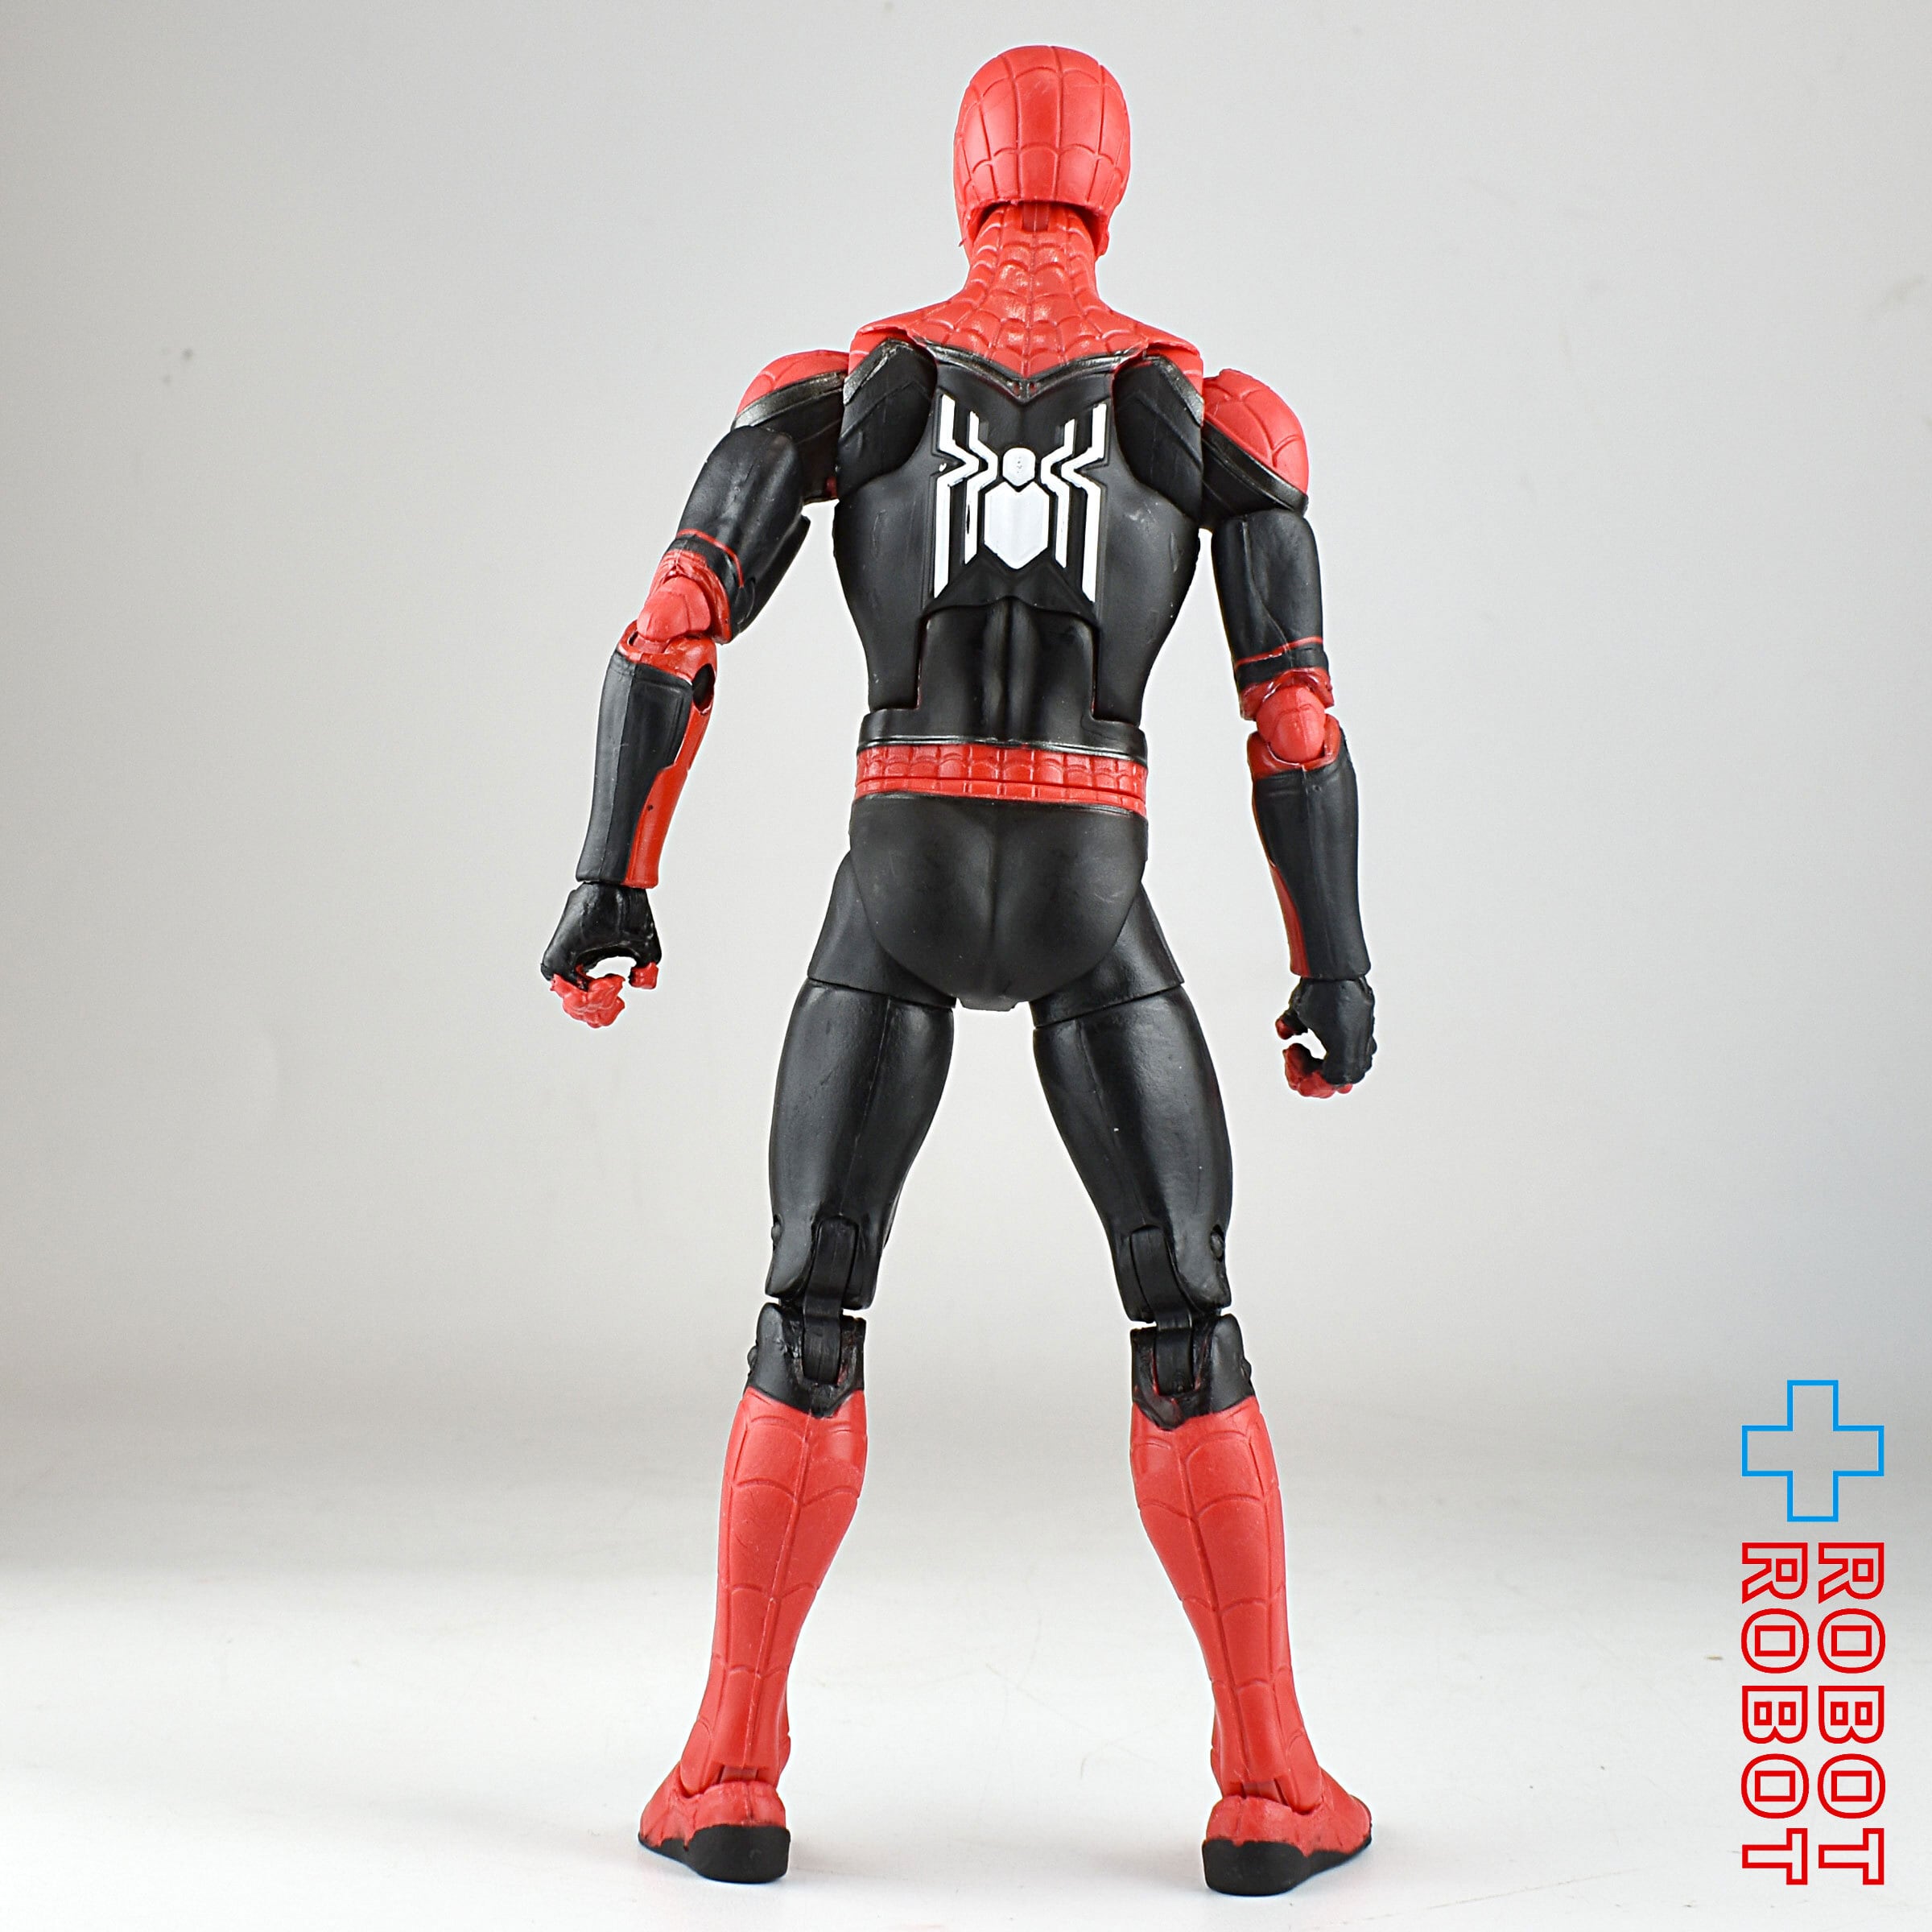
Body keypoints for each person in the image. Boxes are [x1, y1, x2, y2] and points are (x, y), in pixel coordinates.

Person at [542, 44, 1377, 1897]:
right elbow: (1296, 720)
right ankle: (1267, 1781)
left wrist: (613, 879)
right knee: (1187, 1319)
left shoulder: (844, 392)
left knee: (808, 1308)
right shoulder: (1214, 416)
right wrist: (1334, 964)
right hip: (1091, 868)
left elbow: (673, 624)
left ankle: (727, 1770)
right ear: (1110, 188)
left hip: (900, 865)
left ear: (968, 179)